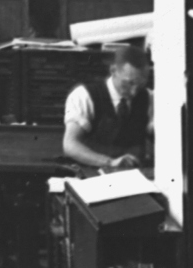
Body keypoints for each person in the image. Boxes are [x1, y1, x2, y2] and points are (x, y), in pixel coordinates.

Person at [60, 39, 155, 173]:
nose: (134, 92)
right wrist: (110, 162)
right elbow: (70, 145)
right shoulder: (85, 96)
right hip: (91, 173)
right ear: (113, 70)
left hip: (134, 177)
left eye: (140, 85)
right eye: (128, 83)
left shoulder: (150, 98)